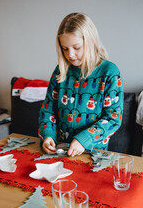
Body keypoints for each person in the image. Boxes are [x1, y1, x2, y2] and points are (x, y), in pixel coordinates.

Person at [38, 12, 124, 157]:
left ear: (90, 42)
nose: (70, 55)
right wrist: (48, 136)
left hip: (93, 153)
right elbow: (48, 110)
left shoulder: (109, 72)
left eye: (76, 48)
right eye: (65, 49)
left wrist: (83, 140)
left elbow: (113, 118)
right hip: (59, 151)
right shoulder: (61, 70)